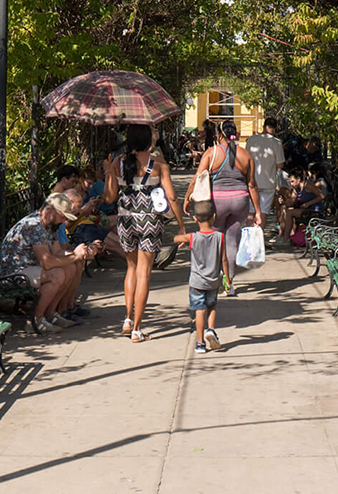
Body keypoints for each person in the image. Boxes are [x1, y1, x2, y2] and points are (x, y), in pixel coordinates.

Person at [107, 123, 183, 341]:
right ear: (149, 140)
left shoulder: (118, 163)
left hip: (125, 222)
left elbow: (111, 197)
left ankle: (127, 319)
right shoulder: (157, 163)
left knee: (131, 269)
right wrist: (180, 224)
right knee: (144, 273)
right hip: (150, 222)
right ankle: (137, 330)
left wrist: (109, 171)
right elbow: (172, 197)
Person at [0, 191, 95, 334]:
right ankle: (35, 320)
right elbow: (47, 263)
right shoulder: (34, 226)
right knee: (56, 275)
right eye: (62, 216)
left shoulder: (48, 225)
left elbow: (57, 253)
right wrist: (75, 256)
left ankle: (50, 315)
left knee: (70, 268)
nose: (63, 221)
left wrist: (81, 253)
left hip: (28, 268)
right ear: (50, 211)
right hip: (13, 273)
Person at [187, 119, 262, 275]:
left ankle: (213, 276)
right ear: (236, 134)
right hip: (240, 201)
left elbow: (197, 178)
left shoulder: (211, 153)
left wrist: (188, 198)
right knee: (232, 241)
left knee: (214, 238)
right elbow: (252, 185)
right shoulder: (246, 155)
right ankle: (229, 281)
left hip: (216, 202)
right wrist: (258, 211)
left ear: (219, 134)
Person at [175, 199, 228, 352]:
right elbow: (224, 259)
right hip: (213, 281)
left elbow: (176, 239)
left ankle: (199, 344)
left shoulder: (192, 237)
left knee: (200, 310)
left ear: (195, 219)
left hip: (197, 282)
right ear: (214, 217)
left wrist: (182, 239)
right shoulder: (220, 237)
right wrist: (227, 279)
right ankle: (210, 329)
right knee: (212, 306)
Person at [245, 119, 286, 238]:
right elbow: (280, 164)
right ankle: (257, 239)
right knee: (263, 212)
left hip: (252, 181)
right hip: (268, 182)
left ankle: (248, 238)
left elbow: (246, 160)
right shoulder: (276, 143)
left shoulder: (251, 140)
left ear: (263, 127)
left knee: (251, 211)